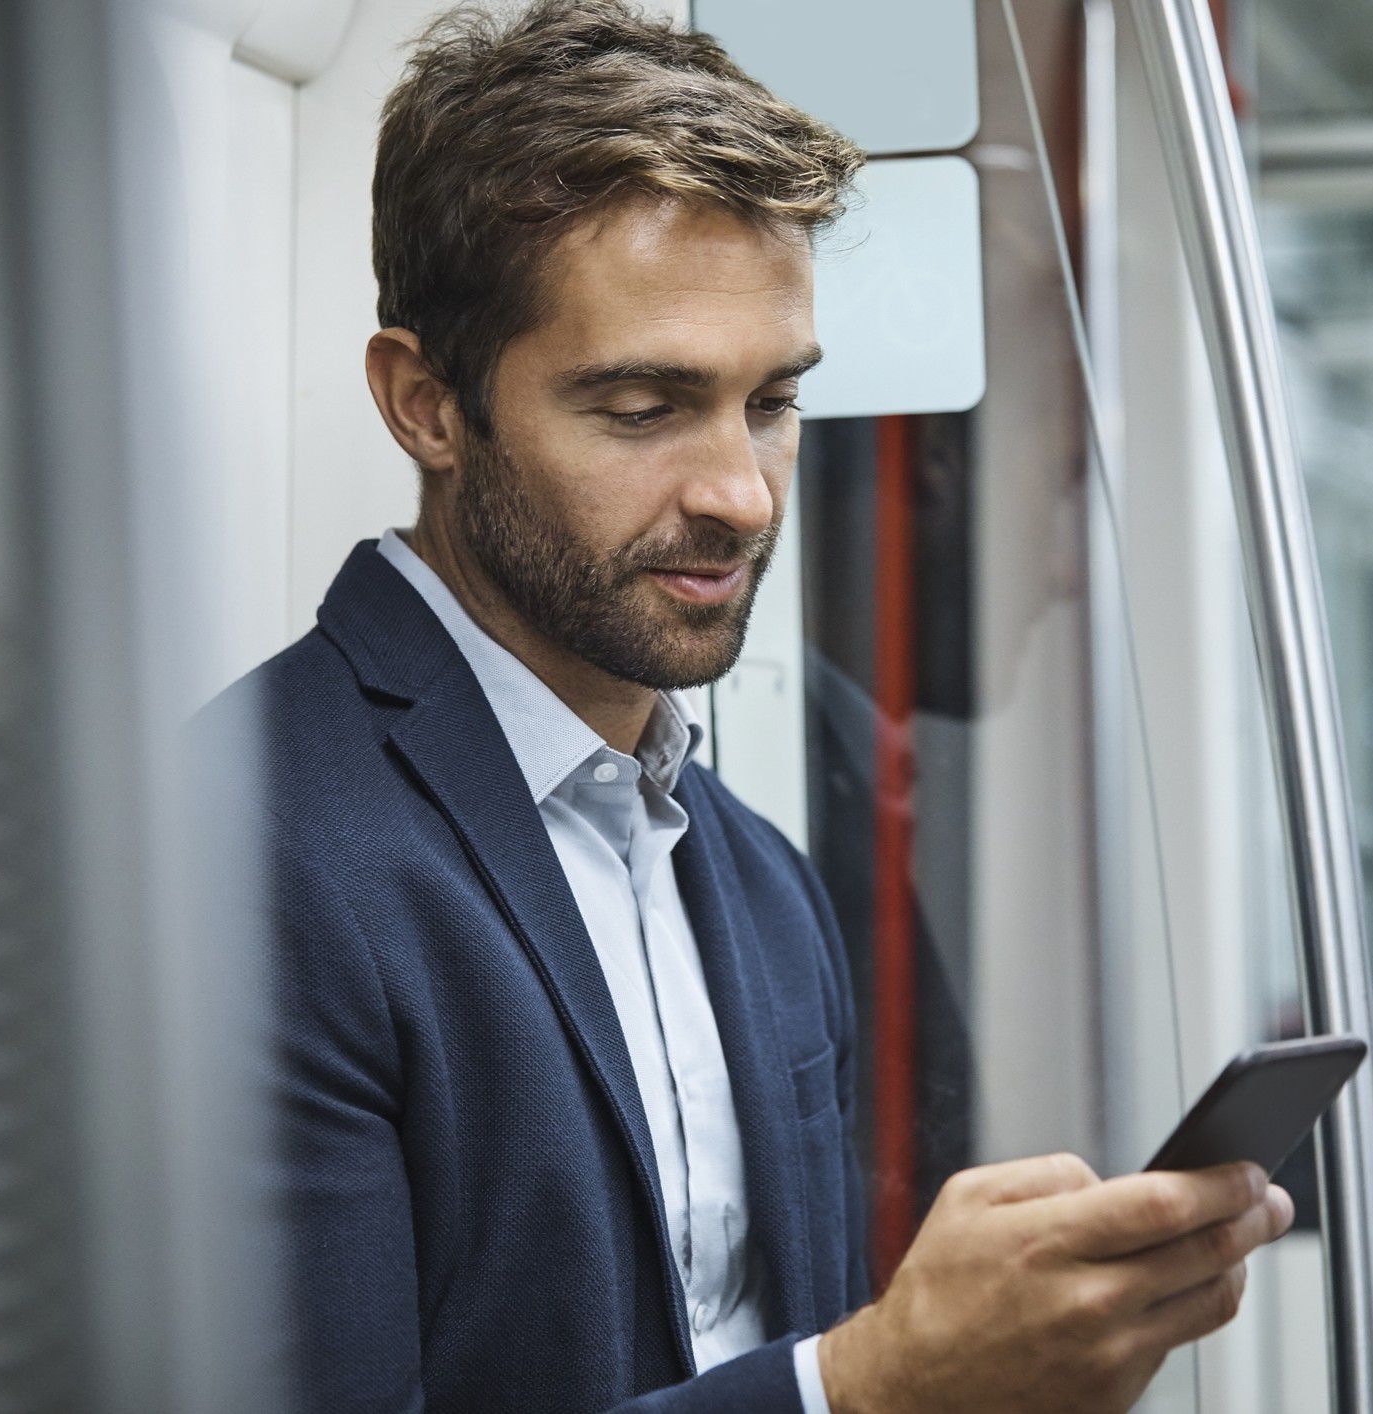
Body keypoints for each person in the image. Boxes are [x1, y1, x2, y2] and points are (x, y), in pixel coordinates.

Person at [206, 2, 1295, 1409]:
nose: (742, 491)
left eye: (768, 400)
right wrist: (872, 1383)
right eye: (645, 406)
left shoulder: (758, 878)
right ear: (426, 403)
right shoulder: (244, 851)